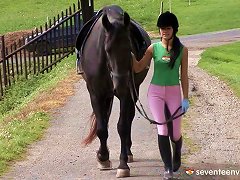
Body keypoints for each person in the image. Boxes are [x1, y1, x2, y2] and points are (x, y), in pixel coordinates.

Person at [132, 11, 189, 179]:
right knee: (162, 128)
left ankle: (177, 151)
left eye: (168, 28)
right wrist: (128, 56)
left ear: (174, 29)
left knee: (175, 133)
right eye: (162, 28)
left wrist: (185, 98)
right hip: (155, 92)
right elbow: (138, 67)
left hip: (173, 93)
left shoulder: (182, 51)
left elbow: (184, 76)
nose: (165, 31)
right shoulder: (153, 48)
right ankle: (168, 168)